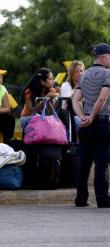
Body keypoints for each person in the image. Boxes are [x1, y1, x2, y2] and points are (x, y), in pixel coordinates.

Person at [72, 43, 110, 208]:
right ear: (103, 57)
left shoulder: (84, 75)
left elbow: (75, 99)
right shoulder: (107, 74)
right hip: (102, 123)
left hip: (85, 125)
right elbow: (102, 99)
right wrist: (93, 117)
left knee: (84, 164)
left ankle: (81, 199)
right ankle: (102, 199)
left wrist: (83, 117)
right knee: (101, 163)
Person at [20, 67, 57, 132]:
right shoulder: (29, 91)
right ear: (42, 81)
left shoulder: (52, 91)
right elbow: (33, 111)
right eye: (50, 79)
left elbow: (51, 112)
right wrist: (45, 99)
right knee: (41, 122)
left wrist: (55, 100)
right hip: (28, 118)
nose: (53, 81)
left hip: (45, 118)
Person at [60, 60, 85, 131]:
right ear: (71, 74)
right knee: (78, 121)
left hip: (85, 115)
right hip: (71, 115)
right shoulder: (66, 85)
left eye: (81, 71)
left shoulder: (86, 85)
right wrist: (78, 87)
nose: (80, 74)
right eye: (76, 72)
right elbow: (65, 105)